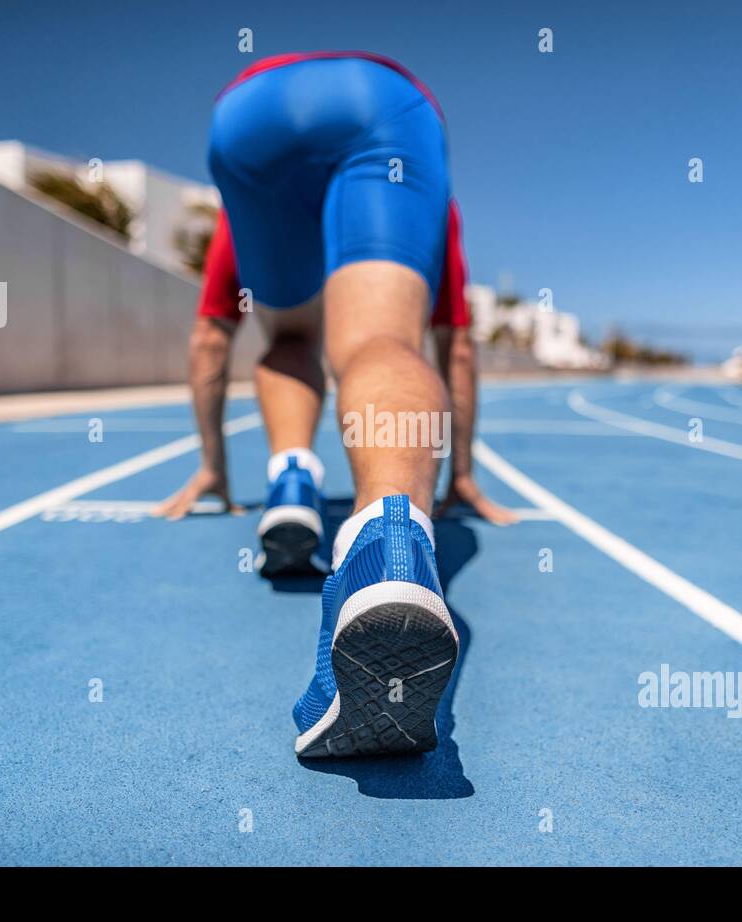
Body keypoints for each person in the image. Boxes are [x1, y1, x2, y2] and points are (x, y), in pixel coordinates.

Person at [154, 51, 514, 758]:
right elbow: (458, 350)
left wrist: (214, 468)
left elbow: (207, 341)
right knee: (378, 336)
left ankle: (291, 479)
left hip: (244, 120)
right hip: (380, 102)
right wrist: (460, 472)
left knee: (290, 334)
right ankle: (385, 544)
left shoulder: (239, 208)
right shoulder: (428, 195)